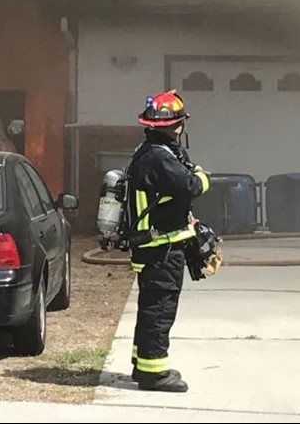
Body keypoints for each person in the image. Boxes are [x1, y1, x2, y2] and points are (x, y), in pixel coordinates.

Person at [126, 89, 211, 392]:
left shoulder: (151, 152)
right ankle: (154, 373)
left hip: (155, 245)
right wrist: (201, 175)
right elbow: (190, 185)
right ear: (177, 125)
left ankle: (143, 362)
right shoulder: (159, 158)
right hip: (161, 248)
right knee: (160, 309)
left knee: (151, 306)